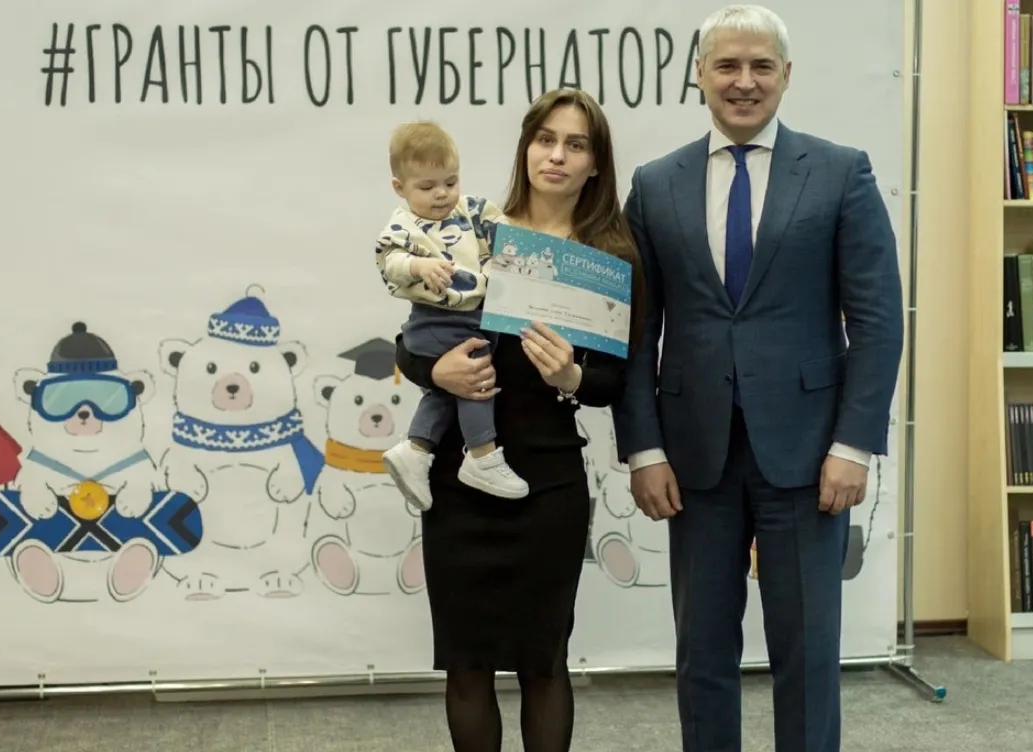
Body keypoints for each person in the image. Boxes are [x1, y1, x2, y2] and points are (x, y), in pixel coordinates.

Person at [611, 5, 904, 752]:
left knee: (807, 655)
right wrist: (643, 449)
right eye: (727, 66)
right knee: (701, 654)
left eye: (760, 66)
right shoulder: (654, 184)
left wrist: (854, 446)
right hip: (693, 459)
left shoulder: (840, 172)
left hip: (809, 459)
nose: (743, 82)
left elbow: (876, 322)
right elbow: (635, 331)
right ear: (700, 75)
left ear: (786, 75)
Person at [393, 87, 643, 752]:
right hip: (461, 477)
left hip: (549, 482)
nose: (556, 155)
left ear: (595, 162)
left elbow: (616, 379)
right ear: (526, 147)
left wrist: (572, 378)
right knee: (467, 662)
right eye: (545, 139)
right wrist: (436, 374)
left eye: (575, 144)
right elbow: (411, 341)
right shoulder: (476, 231)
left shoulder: (609, 257)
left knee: (543, 662)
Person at [377, 120, 529, 507]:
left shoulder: (470, 211)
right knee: (476, 375)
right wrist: (418, 265)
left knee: (447, 391)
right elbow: (390, 261)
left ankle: (415, 449)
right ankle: (482, 455)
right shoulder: (405, 225)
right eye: (427, 187)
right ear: (400, 187)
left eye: (450, 181)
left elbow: (508, 232)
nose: (442, 194)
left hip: (472, 318)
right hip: (437, 323)